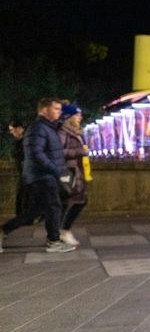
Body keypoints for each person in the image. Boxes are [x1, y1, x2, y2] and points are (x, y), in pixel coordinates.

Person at [1, 98, 75, 253]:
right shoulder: (38, 128)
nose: (59, 112)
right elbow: (36, 154)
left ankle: (4, 230)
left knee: (36, 211)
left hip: (44, 175)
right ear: (44, 110)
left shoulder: (48, 128)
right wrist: (57, 171)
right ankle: (53, 241)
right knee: (54, 206)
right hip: (41, 176)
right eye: (55, 108)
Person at [58, 103, 89, 245]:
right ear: (69, 117)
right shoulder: (63, 132)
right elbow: (59, 152)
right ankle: (64, 230)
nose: (80, 117)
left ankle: (59, 231)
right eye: (77, 115)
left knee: (68, 202)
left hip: (77, 171)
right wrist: (80, 152)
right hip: (69, 172)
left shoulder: (74, 132)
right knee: (79, 200)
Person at [6, 117, 29, 221]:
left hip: (28, 172)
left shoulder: (26, 141)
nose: (11, 132)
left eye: (13, 129)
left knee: (24, 194)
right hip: (24, 171)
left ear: (20, 129)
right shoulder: (19, 141)